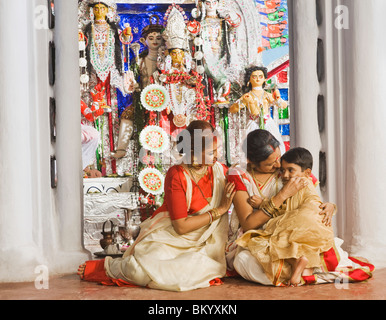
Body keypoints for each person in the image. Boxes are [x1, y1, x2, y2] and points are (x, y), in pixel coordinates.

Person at [77, 120, 236, 291]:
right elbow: (181, 227)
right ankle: (111, 268)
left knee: (195, 269)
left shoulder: (220, 171)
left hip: (206, 243)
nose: (218, 156)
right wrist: (219, 210)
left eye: (217, 150)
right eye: (212, 152)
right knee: (139, 270)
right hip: (171, 236)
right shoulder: (177, 175)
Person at [226, 130, 374, 286]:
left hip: (294, 230)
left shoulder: (288, 167)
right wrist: (282, 195)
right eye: (270, 163)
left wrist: (329, 206)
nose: (278, 165)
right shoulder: (239, 174)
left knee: (328, 247)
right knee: (244, 261)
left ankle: (298, 269)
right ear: (251, 161)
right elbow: (248, 223)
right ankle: (305, 270)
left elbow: (310, 197)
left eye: (278, 157)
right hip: (259, 233)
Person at [236, 147, 334, 286]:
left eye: (290, 170)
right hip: (308, 224)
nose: (284, 174)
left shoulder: (299, 182)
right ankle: (303, 268)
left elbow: (286, 209)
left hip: (306, 220)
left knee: (263, 242)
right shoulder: (242, 175)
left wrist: (330, 206)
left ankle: (298, 265)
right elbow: (287, 207)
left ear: (307, 173)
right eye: (282, 170)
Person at [229, 66, 287, 155]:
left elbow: (283, 106)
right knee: (252, 147)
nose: (257, 79)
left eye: (260, 76)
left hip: (268, 124)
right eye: (254, 77)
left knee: (273, 146)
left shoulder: (267, 95)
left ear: (264, 79)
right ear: (249, 80)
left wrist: (277, 98)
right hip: (253, 124)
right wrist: (242, 101)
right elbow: (232, 109)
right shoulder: (247, 96)